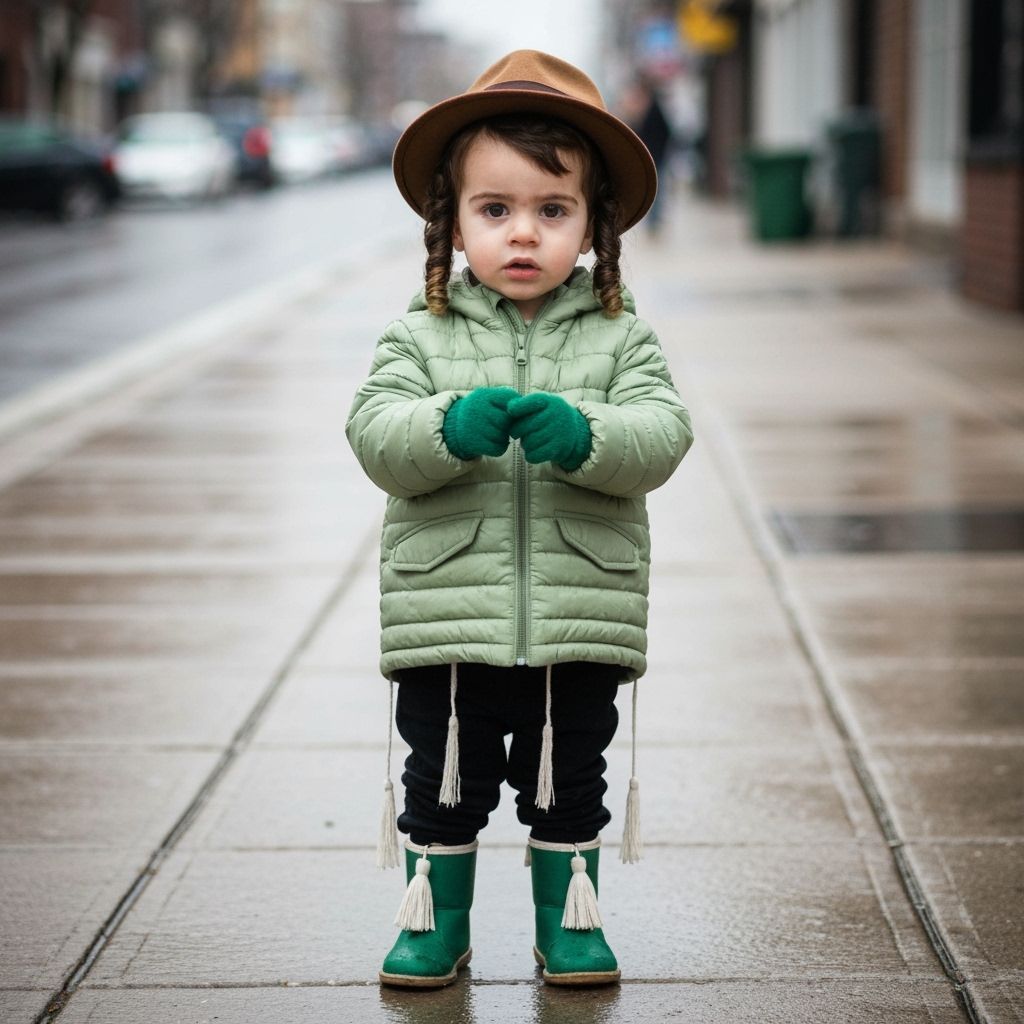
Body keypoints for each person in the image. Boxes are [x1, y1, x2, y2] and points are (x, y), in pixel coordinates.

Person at [346, 50, 693, 990]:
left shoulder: (623, 335)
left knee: (569, 776)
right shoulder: (418, 334)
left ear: (594, 224)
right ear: (452, 222)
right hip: (449, 613)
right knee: (442, 785)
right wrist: (443, 428)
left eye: (552, 209)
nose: (523, 234)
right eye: (494, 210)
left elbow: (663, 434)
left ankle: (570, 922)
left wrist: (587, 436)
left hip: (580, 612)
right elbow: (374, 433)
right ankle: (434, 923)